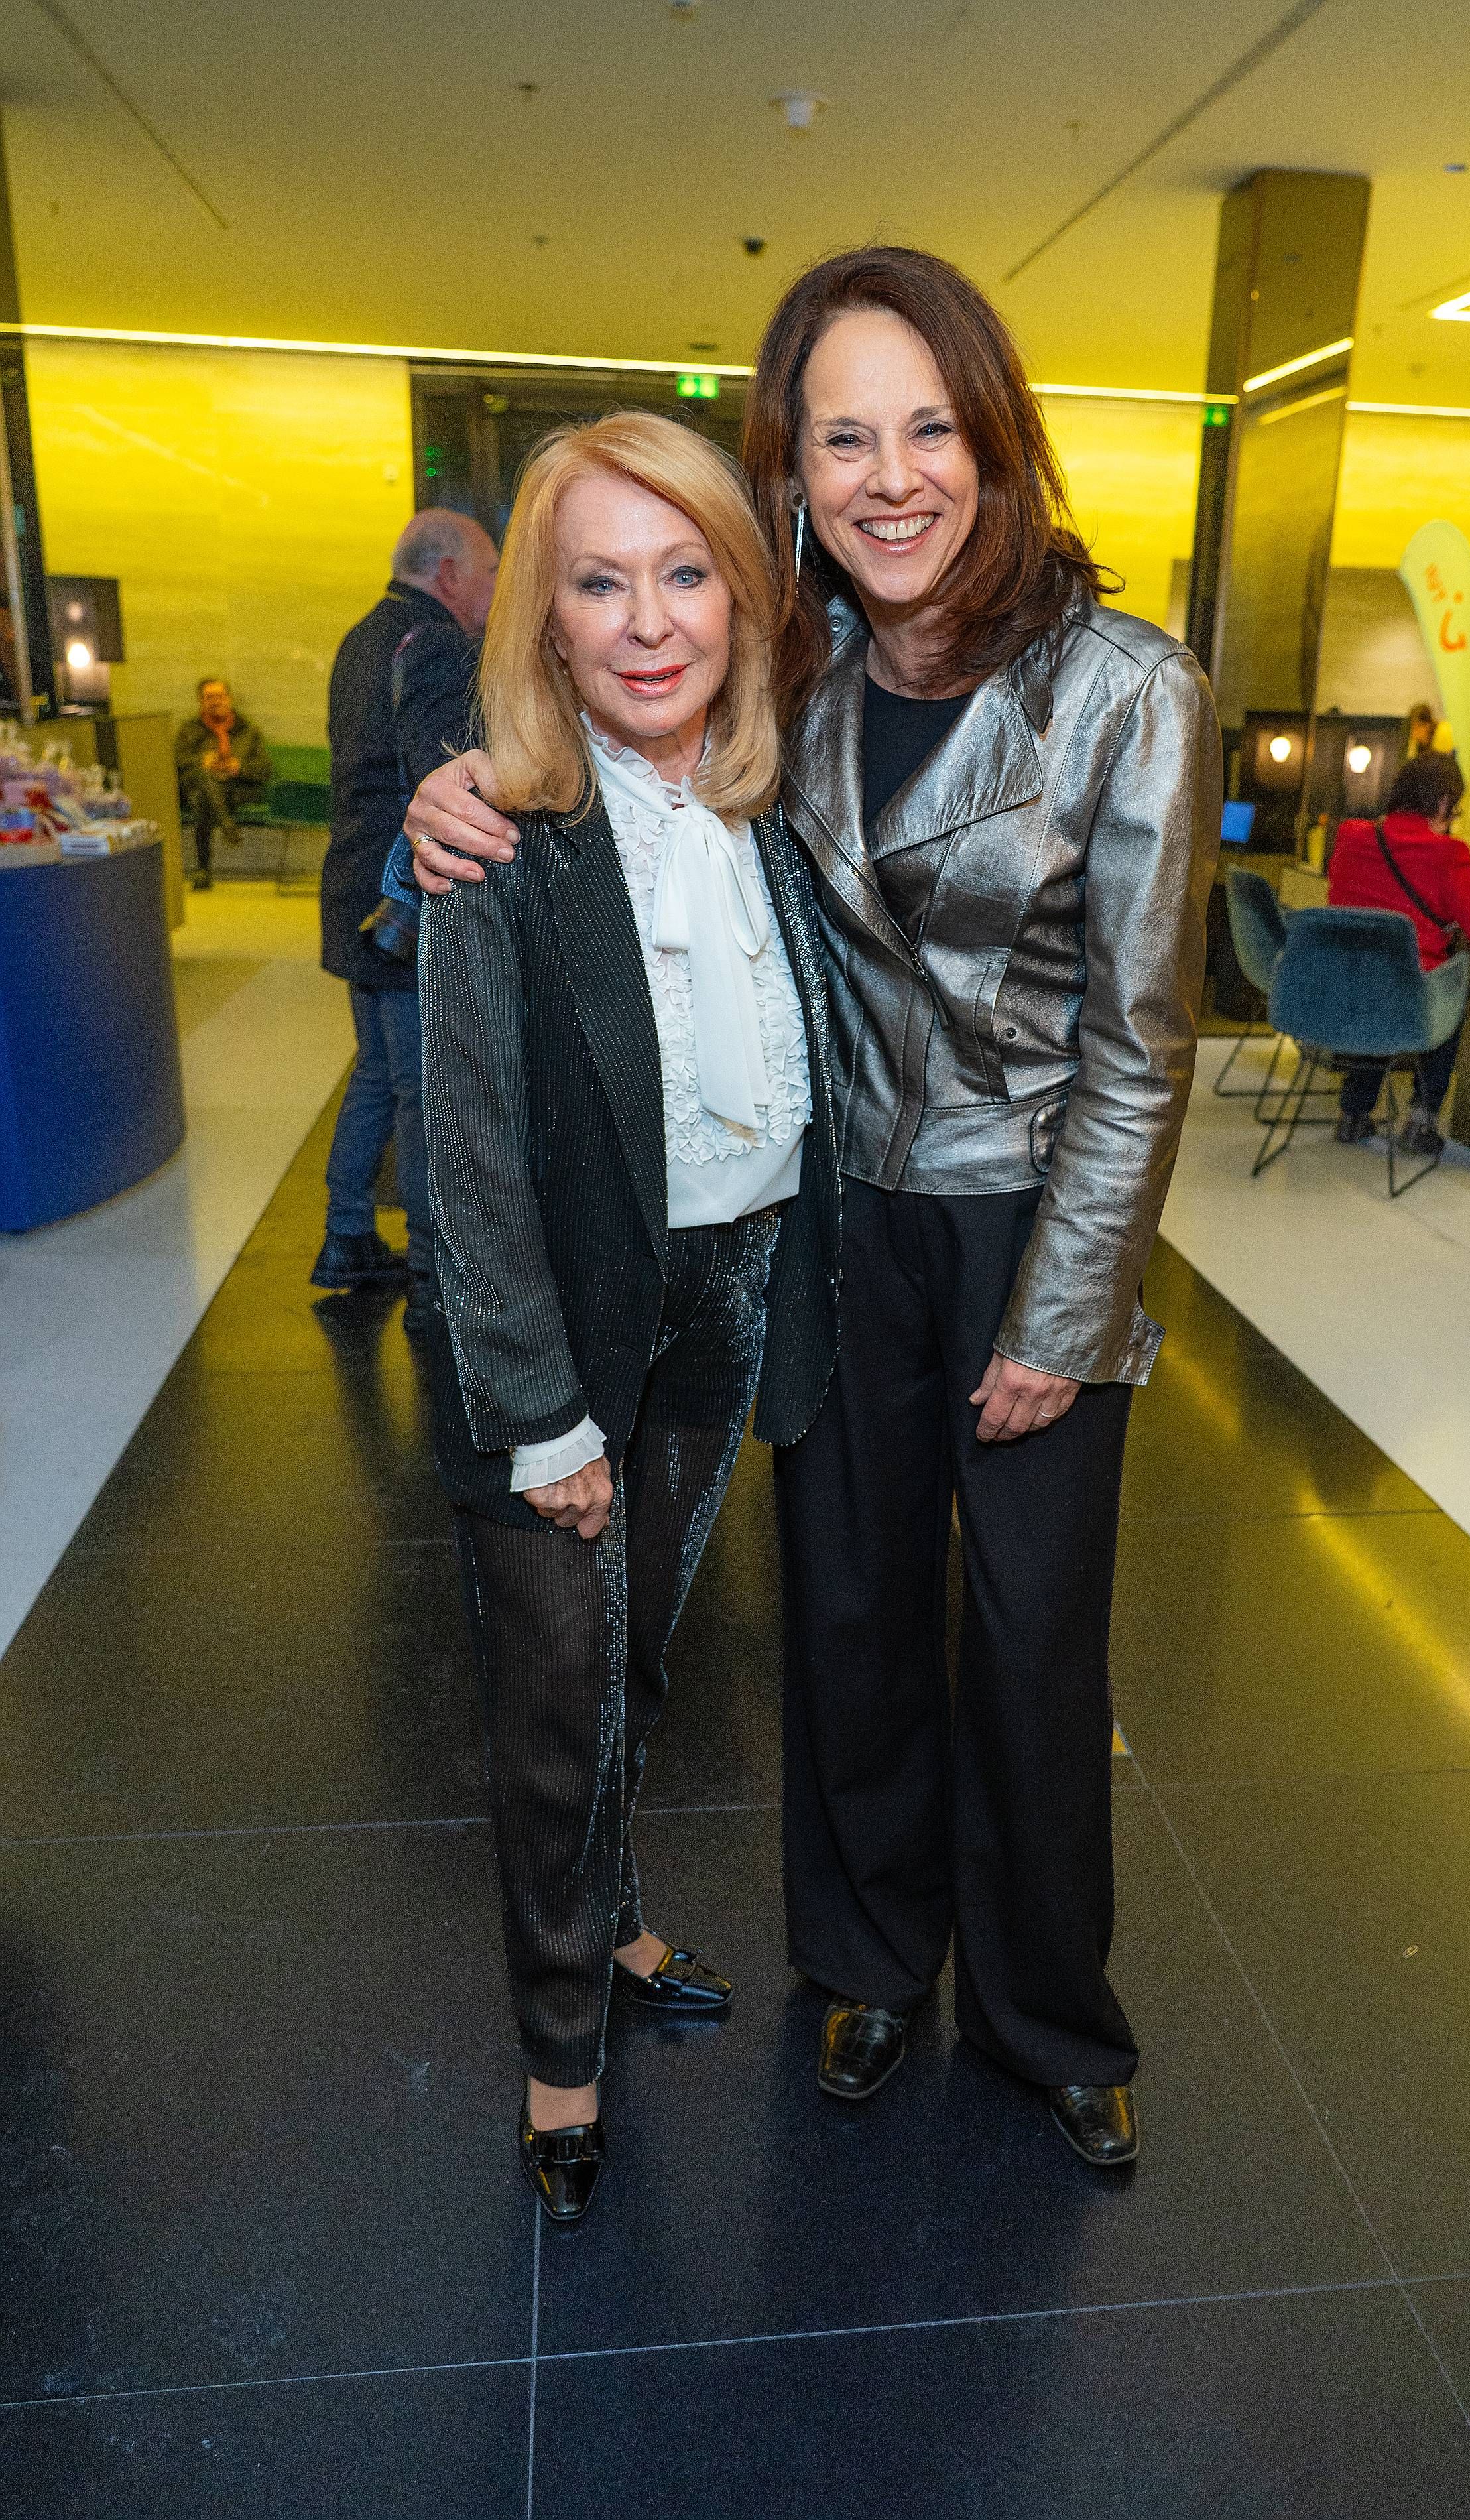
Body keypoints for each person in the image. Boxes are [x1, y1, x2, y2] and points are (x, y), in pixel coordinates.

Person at [403, 246, 1220, 2172]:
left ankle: (1045, 2013)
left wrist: (1065, 1302)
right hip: (837, 1219)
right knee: (846, 1613)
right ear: (796, 467)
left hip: (1029, 1216)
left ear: (994, 437)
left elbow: (1145, 1033)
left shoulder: (1128, 690)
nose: (887, 474)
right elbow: (599, 732)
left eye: (925, 426)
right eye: (840, 435)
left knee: (1030, 1640)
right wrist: (454, 793)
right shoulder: (802, 668)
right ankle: (865, 1957)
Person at [416, 413, 839, 2224]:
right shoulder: (498, 834)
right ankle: (559, 2044)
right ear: (543, 616)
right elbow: (470, 1164)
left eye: (686, 574)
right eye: (601, 580)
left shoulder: (776, 809)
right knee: (550, 1694)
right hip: (566, 1330)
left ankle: (623, 1908)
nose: (649, 620)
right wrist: (537, 1409)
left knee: (645, 1658)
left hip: (727, 1290)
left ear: (744, 603)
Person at [310, 511, 499, 1324]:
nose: (495, 591)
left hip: (352, 893)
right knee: (421, 1089)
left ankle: (347, 1231)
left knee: (379, 1077)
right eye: (489, 572)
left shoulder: (363, 635)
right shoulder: (435, 647)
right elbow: (445, 779)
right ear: (450, 571)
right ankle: (430, 1267)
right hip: (404, 902)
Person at [1328, 749, 1470, 1154]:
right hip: (1407, 1003)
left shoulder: (1351, 836)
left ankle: (1353, 1114)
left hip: (1340, 989)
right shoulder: (1448, 854)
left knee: (1375, 977)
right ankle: (1421, 1121)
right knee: (1449, 995)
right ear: (1444, 804)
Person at [174, 678, 271, 891]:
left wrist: (238, 767)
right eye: (210, 697)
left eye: (220, 697)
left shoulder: (248, 730)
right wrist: (202, 762)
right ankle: (226, 823)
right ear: (201, 701)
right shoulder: (190, 729)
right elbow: (177, 760)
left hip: (236, 789)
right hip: (198, 787)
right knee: (203, 789)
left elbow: (265, 768)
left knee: (204, 800)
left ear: (229, 699)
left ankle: (203, 869)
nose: (215, 702)